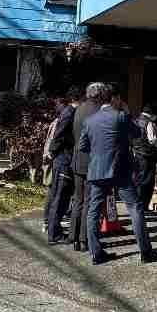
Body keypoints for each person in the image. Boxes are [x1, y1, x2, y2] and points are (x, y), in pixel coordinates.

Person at [78, 85, 157, 266]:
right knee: (135, 207)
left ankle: (96, 253)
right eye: (120, 98)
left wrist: (98, 152)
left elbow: (83, 146)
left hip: (97, 171)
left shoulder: (89, 120)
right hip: (120, 170)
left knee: (93, 210)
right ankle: (146, 252)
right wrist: (127, 112)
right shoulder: (121, 116)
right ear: (114, 98)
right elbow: (137, 133)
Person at [69, 82, 104, 252]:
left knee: (78, 199)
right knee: (89, 201)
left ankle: (73, 236)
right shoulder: (99, 111)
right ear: (100, 95)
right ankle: (84, 239)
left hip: (77, 159)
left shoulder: (79, 109)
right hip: (92, 161)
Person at [44, 87, 81, 244]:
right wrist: (53, 151)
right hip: (63, 160)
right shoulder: (69, 113)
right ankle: (54, 233)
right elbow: (59, 135)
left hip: (64, 159)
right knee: (60, 197)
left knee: (61, 196)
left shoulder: (69, 112)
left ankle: (54, 230)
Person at [130, 102, 157, 212]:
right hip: (147, 156)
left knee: (138, 180)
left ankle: (136, 204)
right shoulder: (149, 123)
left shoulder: (135, 121)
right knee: (147, 182)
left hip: (136, 154)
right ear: (152, 114)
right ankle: (143, 206)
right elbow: (153, 140)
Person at [41, 95, 66, 234]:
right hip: (54, 160)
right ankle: (47, 221)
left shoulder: (56, 122)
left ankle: (47, 220)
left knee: (53, 191)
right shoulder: (59, 122)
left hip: (51, 160)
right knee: (53, 192)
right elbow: (53, 143)